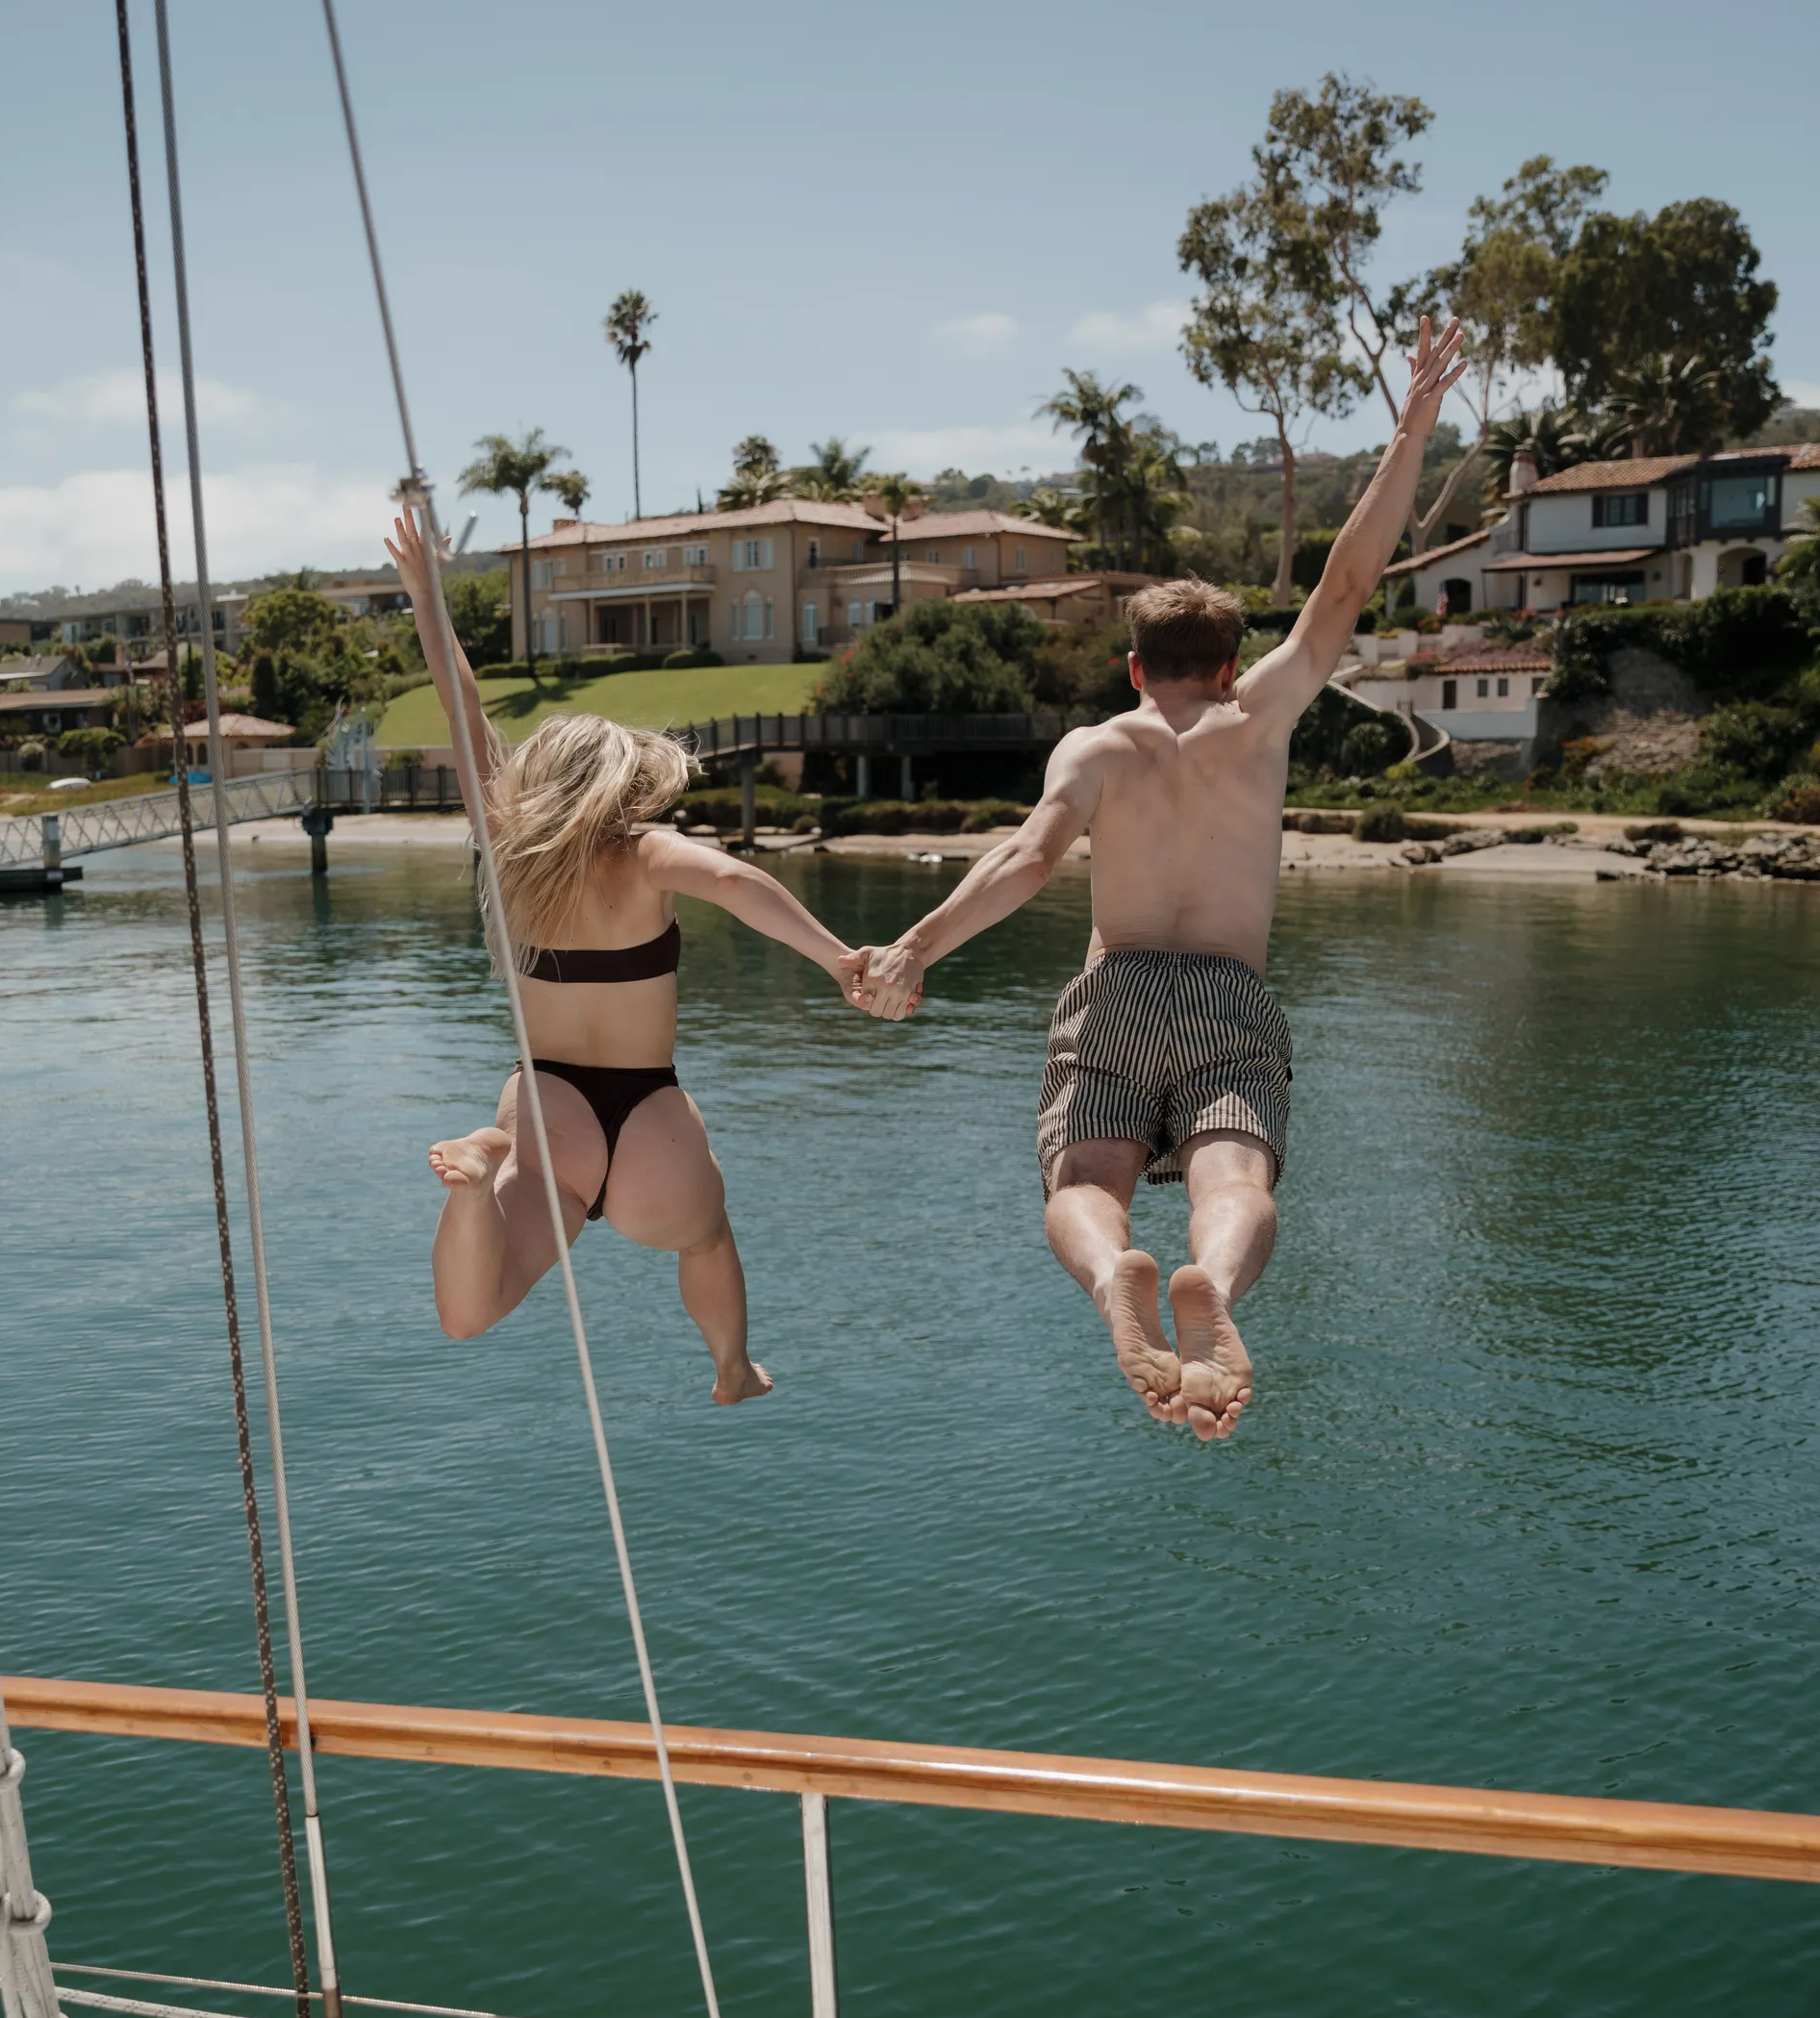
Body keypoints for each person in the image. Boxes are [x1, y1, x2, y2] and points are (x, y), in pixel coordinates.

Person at [854, 315, 1466, 1440]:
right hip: (1230, 995)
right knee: (1236, 1186)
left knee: (1086, 1183)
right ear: (1232, 667)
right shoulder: (1260, 718)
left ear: (1133, 667)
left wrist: (914, 947)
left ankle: (1113, 1279)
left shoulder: (1097, 747)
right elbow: (1345, 584)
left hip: (1118, 991)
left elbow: (1029, 858)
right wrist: (1412, 426)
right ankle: (1210, 1289)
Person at [384, 504, 867, 1402]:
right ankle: (731, 1369)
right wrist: (837, 958)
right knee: (707, 1237)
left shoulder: (511, 847)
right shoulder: (646, 854)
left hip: (548, 1112)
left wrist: (425, 592)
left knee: (470, 1312)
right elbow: (736, 882)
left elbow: (459, 698)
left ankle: (473, 1189)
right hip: (651, 1119)